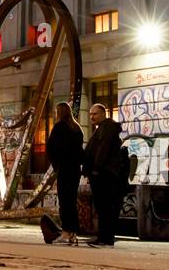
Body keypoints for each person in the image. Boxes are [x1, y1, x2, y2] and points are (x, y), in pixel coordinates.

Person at [83, 104, 127, 247]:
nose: (91, 117)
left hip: (105, 175)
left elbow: (102, 150)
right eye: (90, 114)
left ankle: (106, 239)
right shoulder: (103, 129)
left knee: (105, 207)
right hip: (103, 174)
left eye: (95, 114)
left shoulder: (107, 128)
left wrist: (95, 169)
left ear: (103, 114)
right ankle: (103, 237)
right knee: (103, 208)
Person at [42, 101, 84, 245]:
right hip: (75, 169)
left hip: (65, 169)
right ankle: (73, 233)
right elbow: (80, 151)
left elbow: (51, 147)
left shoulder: (59, 127)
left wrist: (56, 165)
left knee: (64, 202)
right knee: (71, 201)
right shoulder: (77, 128)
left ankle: (66, 233)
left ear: (59, 112)